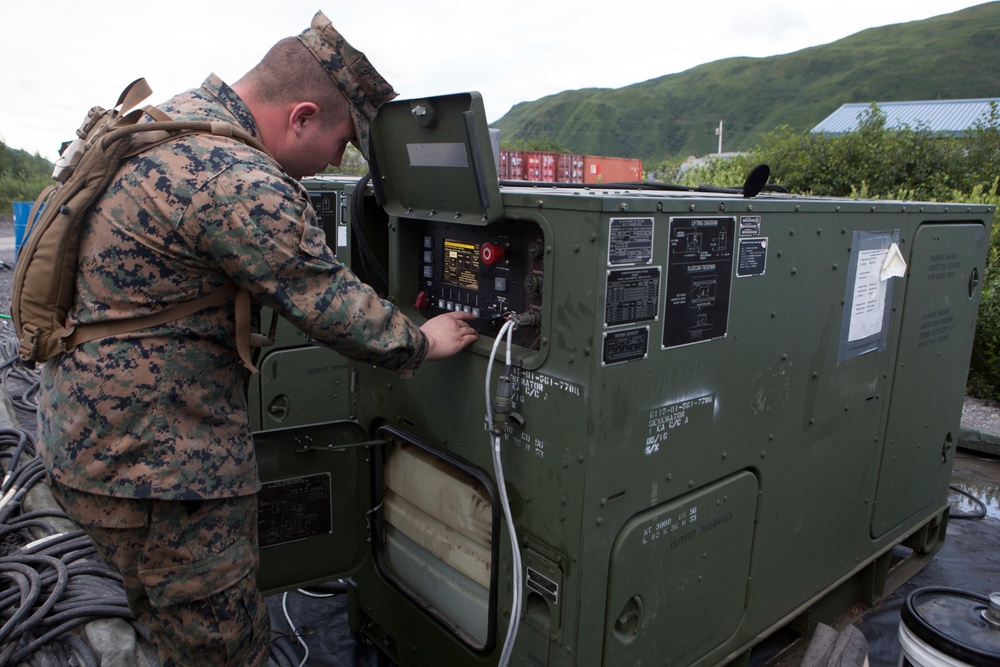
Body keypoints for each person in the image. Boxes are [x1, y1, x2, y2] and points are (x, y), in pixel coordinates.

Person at [36, 11, 478, 666]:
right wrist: (425, 340)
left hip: (88, 443)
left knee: (139, 635)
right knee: (224, 650)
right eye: (338, 143)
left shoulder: (170, 123)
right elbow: (331, 305)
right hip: (161, 480)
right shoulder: (237, 179)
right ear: (301, 116)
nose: (335, 161)